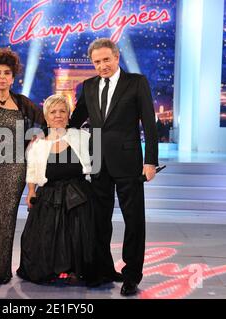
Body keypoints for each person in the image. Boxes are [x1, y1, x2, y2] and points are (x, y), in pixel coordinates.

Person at [70, 38, 159, 295]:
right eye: (97, 62)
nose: (102, 65)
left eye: (106, 60)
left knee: (133, 220)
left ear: (116, 57)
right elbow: (76, 119)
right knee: (99, 220)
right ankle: (103, 269)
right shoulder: (87, 86)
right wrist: (49, 130)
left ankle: (132, 275)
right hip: (98, 162)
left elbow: (149, 125)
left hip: (129, 162)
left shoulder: (136, 82)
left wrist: (150, 161)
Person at [0, 48, 46, 284]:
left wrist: (34, 139)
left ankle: (1, 270)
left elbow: (43, 125)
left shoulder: (24, 104)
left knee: (6, 220)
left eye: (6, 73)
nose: (2, 77)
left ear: (13, 77)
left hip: (15, 169)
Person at [16, 95, 97, 285]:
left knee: (76, 233)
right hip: (49, 194)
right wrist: (31, 191)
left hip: (78, 194)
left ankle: (76, 270)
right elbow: (33, 170)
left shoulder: (83, 137)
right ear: (46, 116)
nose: (58, 115)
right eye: (53, 112)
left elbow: (95, 165)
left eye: (62, 111)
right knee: (45, 234)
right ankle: (52, 269)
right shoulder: (38, 144)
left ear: (69, 116)